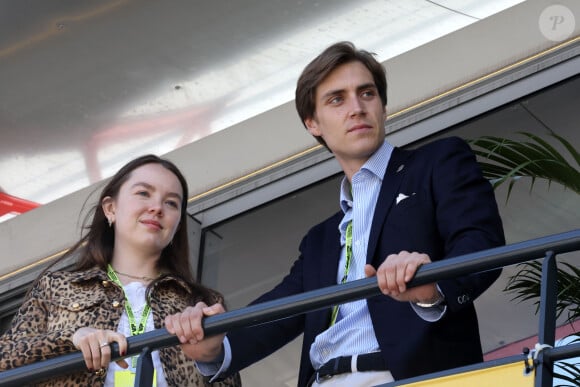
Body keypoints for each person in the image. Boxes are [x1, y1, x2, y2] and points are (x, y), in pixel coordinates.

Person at [165, 41, 506, 387]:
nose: (356, 108)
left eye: (367, 94)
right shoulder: (319, 240)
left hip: (410, 376)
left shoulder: (437, 162)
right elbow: (279, 313)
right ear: (313, 123)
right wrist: (214, 346)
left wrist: (432, 286)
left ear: (383, 107)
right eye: (337, 99)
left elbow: (481, 242)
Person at [0, 155, 241, 387]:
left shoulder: (201, 303)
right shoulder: (56, 287)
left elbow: (228, 381)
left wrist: (211, 355)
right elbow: (5, 357)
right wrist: (71, 340)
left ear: (177, 225)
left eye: (171, 203)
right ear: (110, 208)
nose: (157, 207)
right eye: (143, 193)